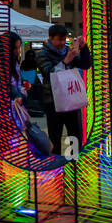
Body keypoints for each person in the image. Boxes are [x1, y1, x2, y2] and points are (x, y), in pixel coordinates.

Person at [35, 24, 93, 155]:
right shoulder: (42, 54)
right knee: (55, 137)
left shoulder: (67, 50)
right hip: (53, 102)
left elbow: (86, 64)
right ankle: (56, 169)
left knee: (75, 136)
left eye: (64, 39)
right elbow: (49, 74)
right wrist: (66, 61)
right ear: (50, 38)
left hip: (72, 99)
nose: (62, 43)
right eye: (59, 39)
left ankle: (74, 166)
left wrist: (84, 48)